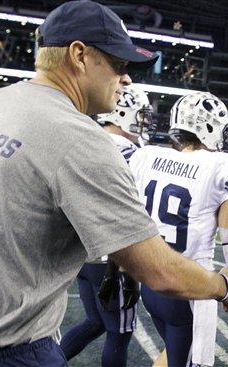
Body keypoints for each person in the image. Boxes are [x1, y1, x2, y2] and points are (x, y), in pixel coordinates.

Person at [0, 2, 228, 366]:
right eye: (119, 64)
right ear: (79, 55)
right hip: (8, 349)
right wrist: (227, 286)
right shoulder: (78, 136)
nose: (127, 78)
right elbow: (160, 271)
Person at [129, 91, 228, 367]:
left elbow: (129, 221)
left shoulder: (147, 157)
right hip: (190, 288)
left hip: (152, 284)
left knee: (173, 355)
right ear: (208, 127)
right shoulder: (222, 166)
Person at [59, 85, 154, 366]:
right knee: (120, 332)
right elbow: (131, 211)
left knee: (95, 321)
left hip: (81, 252)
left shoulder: (88, 139)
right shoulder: (132, 155)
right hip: (111, 257)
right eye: (140, 114)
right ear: (123, 113)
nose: (143, 121)